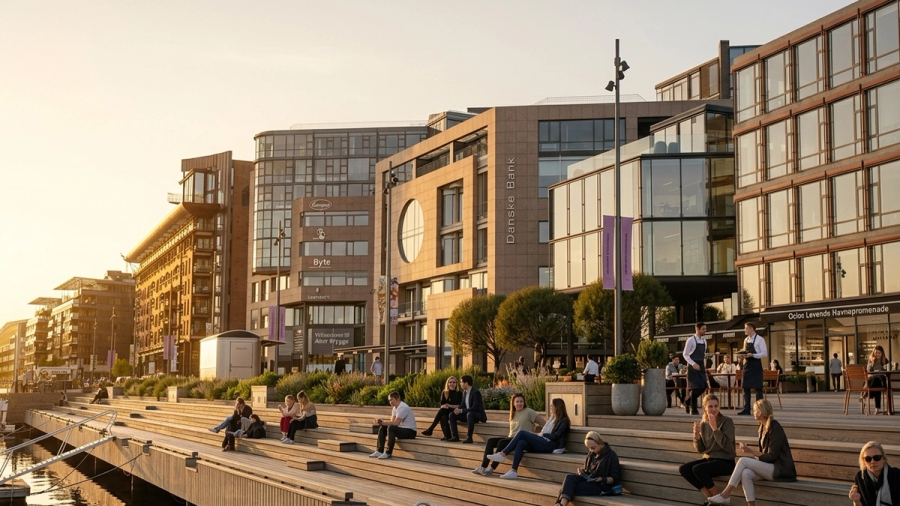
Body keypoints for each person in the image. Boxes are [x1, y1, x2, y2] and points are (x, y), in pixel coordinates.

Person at [708, 399, 796, 505]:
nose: (753, 412)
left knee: (743, 461)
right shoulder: (762, 427)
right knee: (746, 473)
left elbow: (772, 455)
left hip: (780, 469)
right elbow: (764, 454)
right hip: (770, 467)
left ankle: (726, 494)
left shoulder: (775, 426)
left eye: (755, 410)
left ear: (761, 412)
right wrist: (749, 451)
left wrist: (753, 454)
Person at [486, 397, 571, 480]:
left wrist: (542, 435)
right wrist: (539, 434)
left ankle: (503, 454)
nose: (550, 407)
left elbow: (555, 436)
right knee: (521, 443)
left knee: (522, 432)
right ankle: (513, 471)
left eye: (552, 406)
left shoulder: (564, 420)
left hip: (551, 445)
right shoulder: (552, 418)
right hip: (544, 442)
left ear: (558, 407)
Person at [679, 394, 736, 503]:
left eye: (716, 406)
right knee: (684, 469)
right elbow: (702, 450)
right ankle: (710, 496)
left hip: (726, 461)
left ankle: (717, 498)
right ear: (704, 407)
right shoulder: (704, 424)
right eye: (710, 406)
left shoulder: (727, 421)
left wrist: (715, 428)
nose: (714, 409)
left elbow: (728, 447)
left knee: (698, 469)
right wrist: (697, 437)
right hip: (710, 459)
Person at [472, 392, 544, 476]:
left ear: (524, 402)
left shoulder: (529, 412)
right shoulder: (513, 413)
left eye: (521, 401)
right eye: (517, 402)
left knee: (502, 442)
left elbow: (545, 424)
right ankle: (483, 467)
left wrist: (537, 433)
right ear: (513, 403)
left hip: (521, 439)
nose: (519, 403)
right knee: (491, 441)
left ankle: (491, 468)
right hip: (511, 438)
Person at [554, 431, 621, 506]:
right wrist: (583, 471)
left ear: (601, 444)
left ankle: (561, 504)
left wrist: (602, 478)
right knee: (569, 477)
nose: (591, 450)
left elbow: (614, 478)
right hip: (589, 480)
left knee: (568, 487)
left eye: (593, 448)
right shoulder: (592, 453)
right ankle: (562, 504)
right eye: (589, 448)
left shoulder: (611, 456)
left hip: (600, 485)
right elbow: (588, 471)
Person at [849, 441, 900, 506]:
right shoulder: (860, 477)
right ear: (864, 461)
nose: (872, 461)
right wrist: (856, 501)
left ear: (883, 459)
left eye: (877, 457)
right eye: (868, 459)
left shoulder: (896, 475)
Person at [369, 391, 416, 459]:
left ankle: (388, 452)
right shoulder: (395, 408)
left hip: (410, 432)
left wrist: (383, 422)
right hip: (402, 429)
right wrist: (382, 423)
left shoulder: (403, 407)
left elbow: (396, 423)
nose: (390, 402)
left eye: (392, 400)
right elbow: (392, 421)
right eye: (389, 400)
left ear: (397, 399)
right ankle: (379, 450)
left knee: (391, 428)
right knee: (383, 428)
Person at [737, 322, 766, 416]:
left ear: (751, 329)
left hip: (756, 364)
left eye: (746, 328)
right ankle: (746, 409)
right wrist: (742, 355)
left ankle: (760, 409)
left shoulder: (760, 339)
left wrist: (753, 355)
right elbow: (745, 351)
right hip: (747, 364)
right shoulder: (746, 339)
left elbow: (764, 353)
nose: (745, 330)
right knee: (745, 388)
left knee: (758, 389)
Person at [448, 375, 487, 443]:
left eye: (461, 382)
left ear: (466, 383)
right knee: (452, 414)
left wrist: (461, 411)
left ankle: (469, 437)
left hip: (477, 415)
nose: (460, 384)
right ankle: (455, 436)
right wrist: (457, 410)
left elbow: (474, 408)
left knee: (470, 414)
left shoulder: (475, 392)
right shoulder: (465, 392)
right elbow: (462, 405)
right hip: (468, 415)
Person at [683, 322, 709, 415]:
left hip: (701, 364)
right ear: (697, 329)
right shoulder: (691, 340)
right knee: (694, 387)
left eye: (705, 329)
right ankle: (693, 409)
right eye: (703, 329)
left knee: (703, 386)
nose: (705, 331)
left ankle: (687, 401)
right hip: (693, 365)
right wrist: (693, 364)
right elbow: (685, 354)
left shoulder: (704, 341)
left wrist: (704, 366)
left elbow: (703, 354)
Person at [863, 345, 889, 415]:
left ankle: (866, 393)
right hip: (873, 380)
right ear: (873, 353)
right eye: (876, 353)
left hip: (881, 380)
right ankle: (877, 408)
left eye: (879, 353)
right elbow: (868, 371)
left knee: (876, 379)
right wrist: (871, 364)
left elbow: (887, 371)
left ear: (882, 353)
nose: (877, 354)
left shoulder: (885, 360)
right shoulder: (871, 360)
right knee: (876, 384)